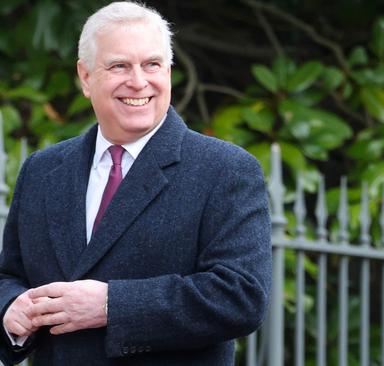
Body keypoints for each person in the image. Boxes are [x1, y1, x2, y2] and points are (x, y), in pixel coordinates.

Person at [0, 2, 271, 365]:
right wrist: (9, 311)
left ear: (169, 72)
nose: (139, 81)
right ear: (85, 77)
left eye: (152, 65)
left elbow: (241, 297)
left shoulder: (225, 169)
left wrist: (111, 305)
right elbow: (10, 275)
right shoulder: (42, 170)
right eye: (119, 66)